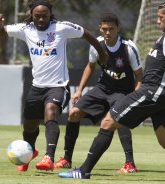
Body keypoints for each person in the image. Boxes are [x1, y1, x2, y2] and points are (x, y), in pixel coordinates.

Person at [58, 1, 165, 179]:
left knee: (108, 122)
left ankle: (83, 171)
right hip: (162, 96)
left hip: (153, 91)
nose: (158, 21)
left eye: (160, 18)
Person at [0, 0, 108, 172]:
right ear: (31, 15)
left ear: (50, 15)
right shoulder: (26, 30)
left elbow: (86, 34)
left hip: (58, 85)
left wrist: (102, 53)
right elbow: (1, 32)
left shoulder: (61, 28)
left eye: (44, 16)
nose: (40, 19)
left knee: (50, 112)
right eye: (37, 16)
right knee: (29, 126)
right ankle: (28, 154)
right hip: (37, 87)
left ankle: (49, 157)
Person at [54, 13, 142, 174]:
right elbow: (90, 66)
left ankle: (130, 164)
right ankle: (66, 159)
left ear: (118, 29)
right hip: (102, 88)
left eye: (111, 29)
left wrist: (134, 97)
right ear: (100, 28)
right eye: (105, 29)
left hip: (122, 91)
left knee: (119, 120)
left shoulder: (129, 47)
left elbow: (138, 76)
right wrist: (79, 90)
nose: (108, 33)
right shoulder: (97, 44)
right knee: (73, 113)